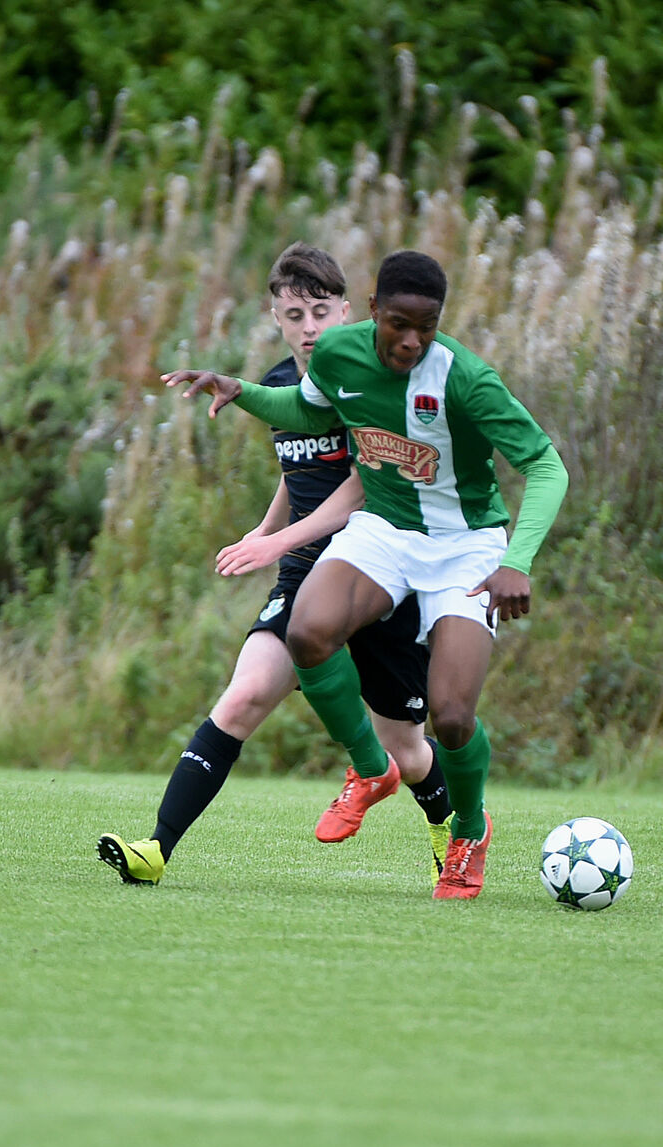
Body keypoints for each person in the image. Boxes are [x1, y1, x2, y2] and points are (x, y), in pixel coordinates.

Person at [161, 249, 569, 901]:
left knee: (453, 717)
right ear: (373, 309)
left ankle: (468, 829)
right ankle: (370, 768)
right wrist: (243, 394)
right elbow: (306, 411)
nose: (411, 340)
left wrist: (515, 560)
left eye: (426, 326)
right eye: (398, 323)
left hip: (466, 547)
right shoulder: (338, 356)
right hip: (384, 529)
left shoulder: (465, 379)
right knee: (306, 630)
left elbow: (547, 468)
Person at [98, 243, 452, 887]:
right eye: (295, 314)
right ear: (276, 317)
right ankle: (155, 850)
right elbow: (302, 471)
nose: (309, 327)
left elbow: (366, 486)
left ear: (348, 311)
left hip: (380, 577)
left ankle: (447, 832)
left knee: (407, 745)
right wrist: (266, 528)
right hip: (306, 577)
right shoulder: (282, 385)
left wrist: (277, 543)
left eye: (321, 311)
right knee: (241, 699)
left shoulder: (373, 383)